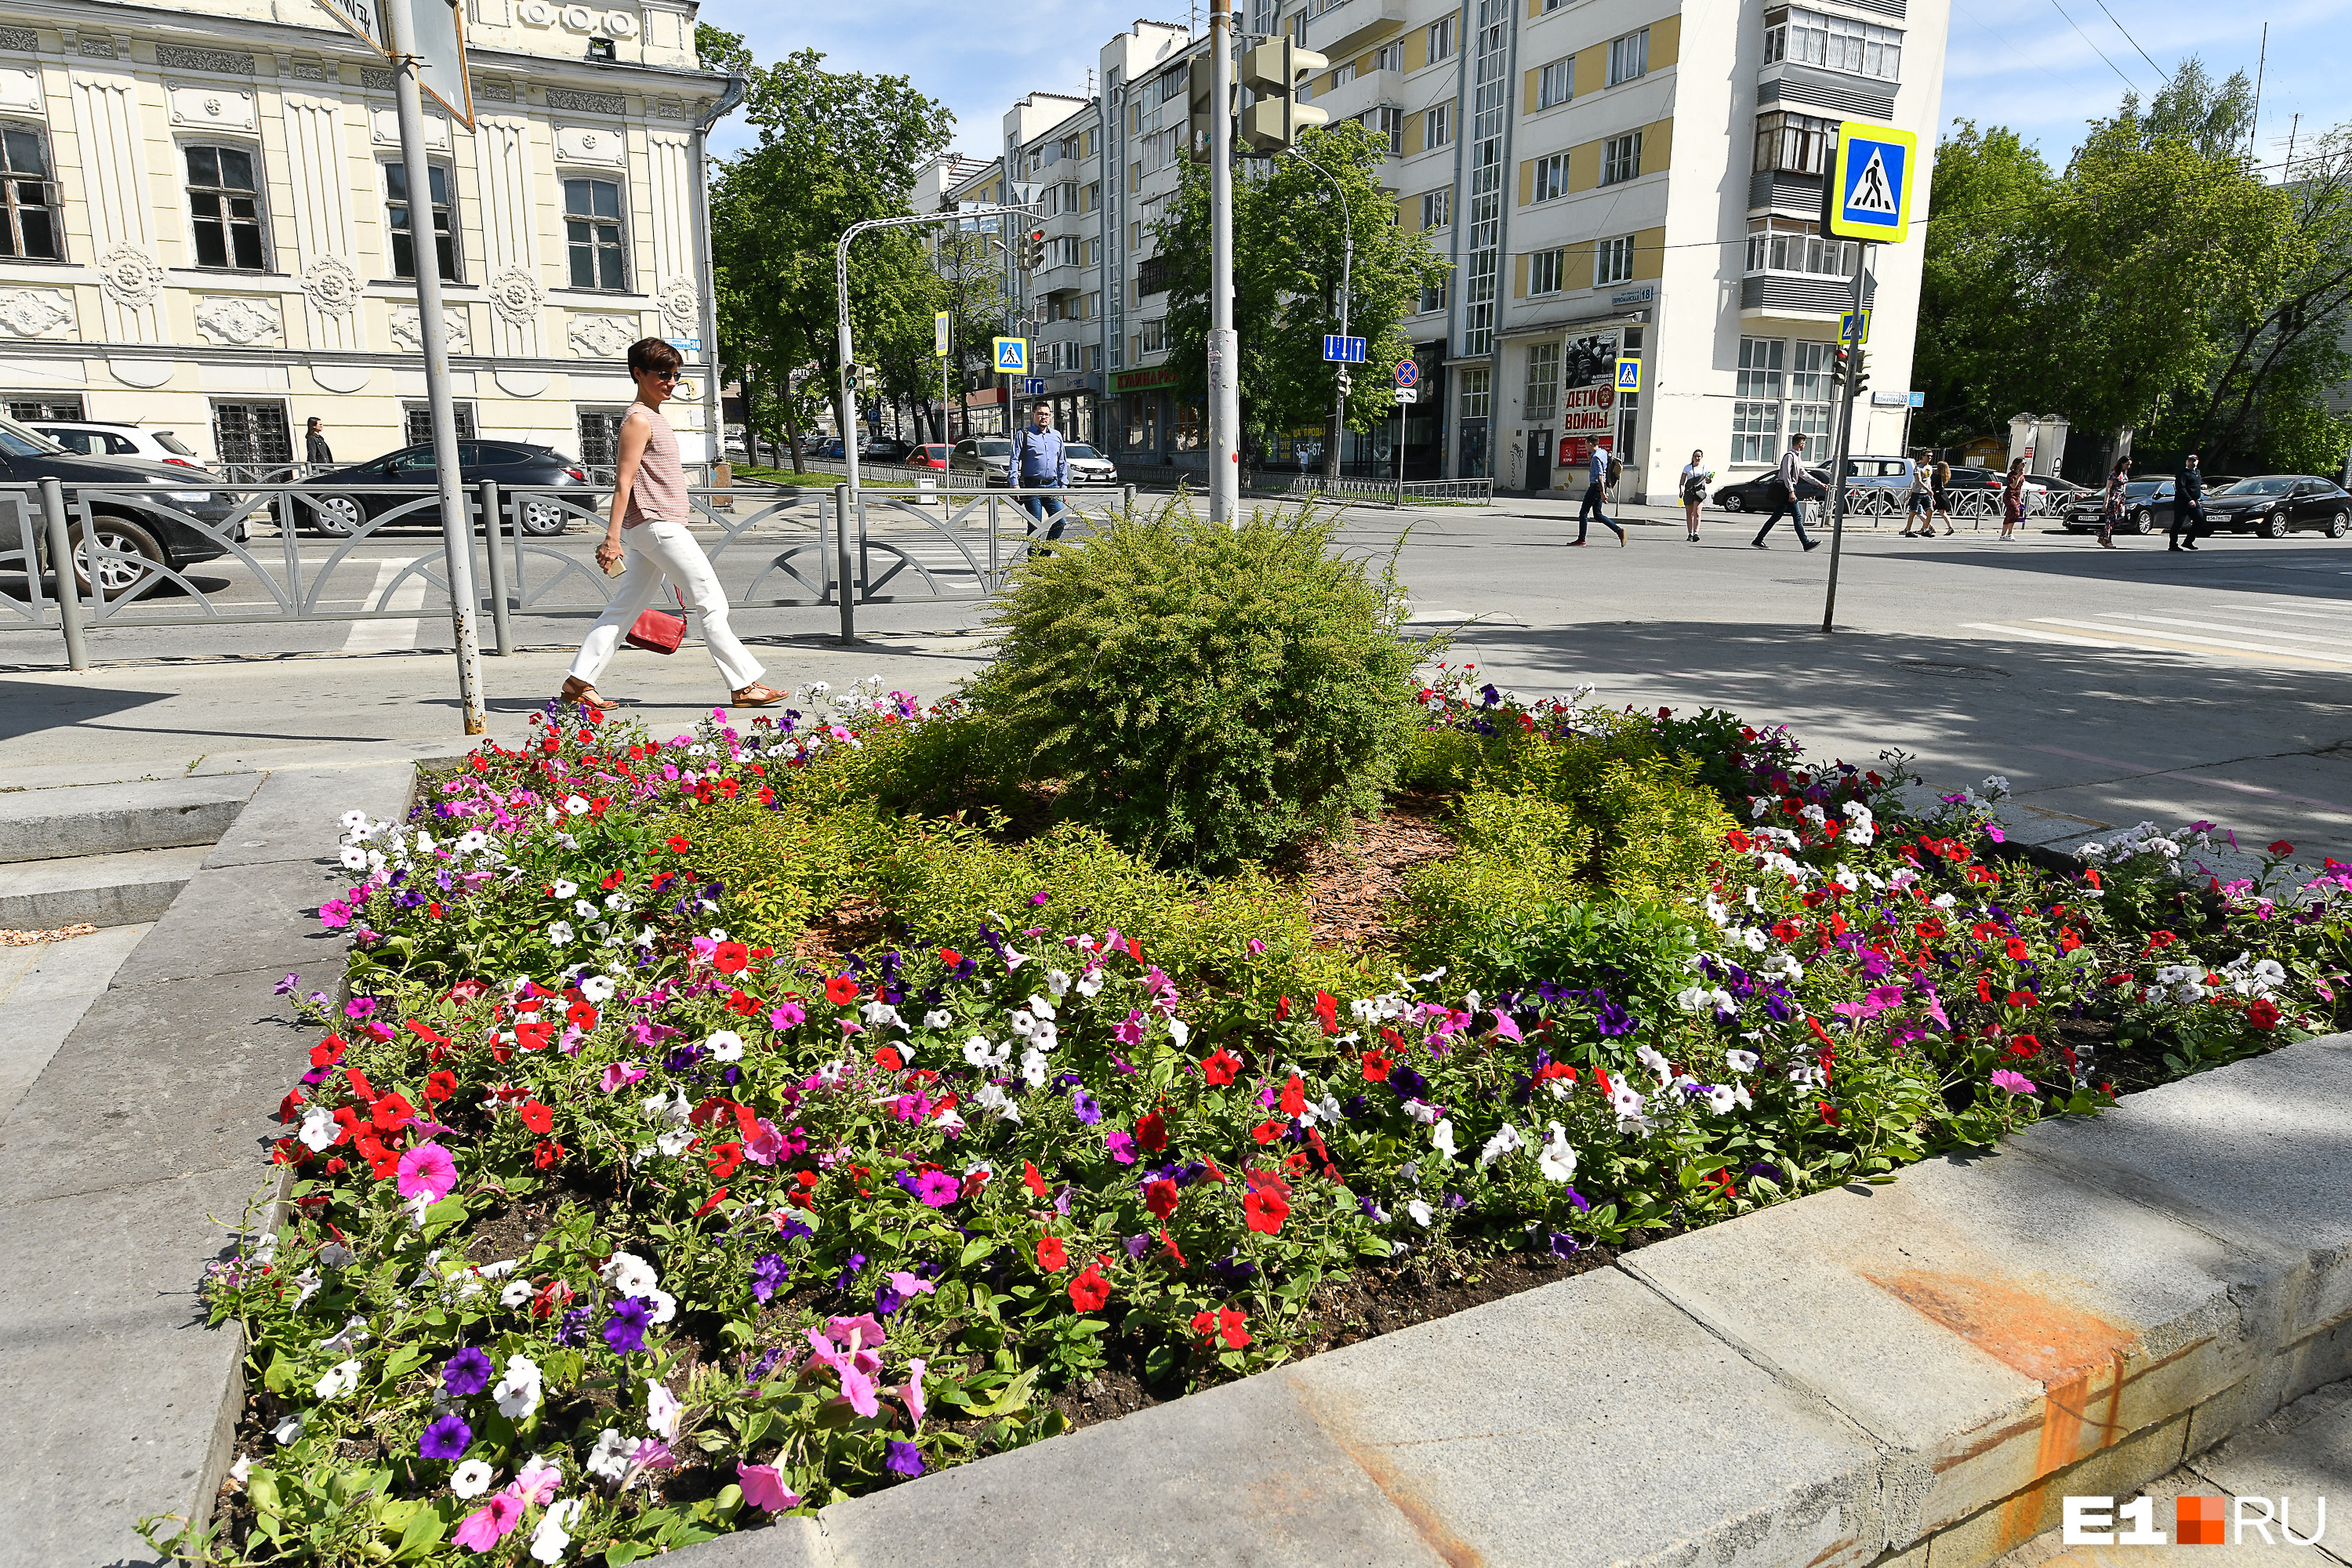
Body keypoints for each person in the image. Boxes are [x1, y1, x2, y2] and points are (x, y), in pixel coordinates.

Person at [561, 337, 782, 712]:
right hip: (657, 524)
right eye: (663, 374)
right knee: (711, 601)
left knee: (625, 607)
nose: (671, 381)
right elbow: (623, 481)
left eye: (675, 375)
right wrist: (611, 537)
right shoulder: (638, 419)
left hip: (655, 526)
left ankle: (579, 682)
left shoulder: (654, 417)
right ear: (638, 374)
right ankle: (743, 685)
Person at [1007, 401, 1069, 550]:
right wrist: (1014, 483)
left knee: (1060, 521)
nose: (1044, 417)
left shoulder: (1056, 436)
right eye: (1040, 413)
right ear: (1033, 415)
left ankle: (1044, 559)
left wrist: (1064, 486)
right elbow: (1014, 459)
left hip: (1053, 486)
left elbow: (1062, 462)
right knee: (1035, 525)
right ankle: (1033, 563)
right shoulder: (1024, 434)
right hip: (1032, 486)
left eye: (1047, 414)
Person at [1751, 433, 1822, 550]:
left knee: (1776, 517)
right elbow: (1786, 476)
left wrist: (1819, 483)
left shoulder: (1797, 456)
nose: (1805, 445)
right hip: (1786, 489)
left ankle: (1758, 540)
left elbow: (1803, 473)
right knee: (1798, 517)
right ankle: (1806, 543)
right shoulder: (1789, 456)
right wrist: (1791, 491)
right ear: (1801, 443)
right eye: (1804, 443)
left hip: (1788, 489)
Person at [1571, 441, 1624, 546]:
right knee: (1598, 515)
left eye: (1586, 445)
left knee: (1583, 512)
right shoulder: (1603, 452)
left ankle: (1581, 539)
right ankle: (1619, 531)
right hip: (1601, 486)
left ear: (1591, 444)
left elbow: (1600, 476)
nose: (1586, 448)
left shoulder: (1595, 458)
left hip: (1596, 487)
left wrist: (1603, 493)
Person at [2171, 452, 2208, 552]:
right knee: (2178, 523)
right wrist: (2189, 500)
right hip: (2183, 501)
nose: (2191, 463)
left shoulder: (2197, 472)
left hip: (2195, 501)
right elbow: (2181, 488)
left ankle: (2188, 541)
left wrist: (2202, 486)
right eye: (2189, 461)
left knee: (2199, 520)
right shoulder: (2182, 473)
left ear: (2197, 462)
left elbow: (2195, 484)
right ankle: (2173, 545)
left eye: (2193, 461)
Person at [1679, 449, 1713, 542]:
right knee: (1689, 514)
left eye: (1699, 456)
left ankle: (1696, 533)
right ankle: (1690, 533)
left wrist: (1709, 479)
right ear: (1693, 457)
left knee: (1697, 512)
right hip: (1689, 491)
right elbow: (1682, 482)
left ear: (1701, 457)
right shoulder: (1687, 468)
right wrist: (1682, 490)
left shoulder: (1705, 468)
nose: (1697, 458)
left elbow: (1708, 481)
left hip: (1700, 492)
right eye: (1695, 456)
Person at [1900, 448, 1935, 539]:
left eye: (1931, 456)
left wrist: (1931, 494)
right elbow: (1919, 481)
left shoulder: (1930, 468)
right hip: (1917, 493)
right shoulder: (1918, 468)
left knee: (1930, 510)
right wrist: (1928, 490)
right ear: (1923, 456)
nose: (1930, 458)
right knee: (1913, 512)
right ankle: (1908, 530)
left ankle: (1925, 529)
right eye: (1928, 456)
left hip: (1926, 493)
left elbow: (1929, 481)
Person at [2098, 458, 2132, 550]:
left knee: (2120, 518)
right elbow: (2108, 489)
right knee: (2110, 520)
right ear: (2121, 463)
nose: (2128, 466)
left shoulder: (2124, 473)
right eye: (2127, 464)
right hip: (2113, 500)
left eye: (2129, 465)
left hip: (2121, 501)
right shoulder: (2113, 474)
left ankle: (2102, 536)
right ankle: (2107, 541)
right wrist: (2106, 502)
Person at [1999, 457, 2027, 541]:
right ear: (2017, 464)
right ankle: (2010, 533)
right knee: (2015, 512)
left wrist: (2020, 500)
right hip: (2009, 496)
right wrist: (2018, 476)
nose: (2024, 465)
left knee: (2010, 514)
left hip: (2017, 496)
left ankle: (2004, 535)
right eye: (2023, 463)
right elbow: (2013, 486)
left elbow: (2019, 488)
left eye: (2025, 463)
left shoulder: (2022, 476)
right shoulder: (2011, 475)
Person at [1929, 452, 1956, 535]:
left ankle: (1928, 527)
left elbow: (1931, 481)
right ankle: (1950, 527)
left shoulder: (1937, 476)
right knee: (1943, 513)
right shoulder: (1945, 475)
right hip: (1943, 495)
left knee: (1929, 511)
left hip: (1937, 496)